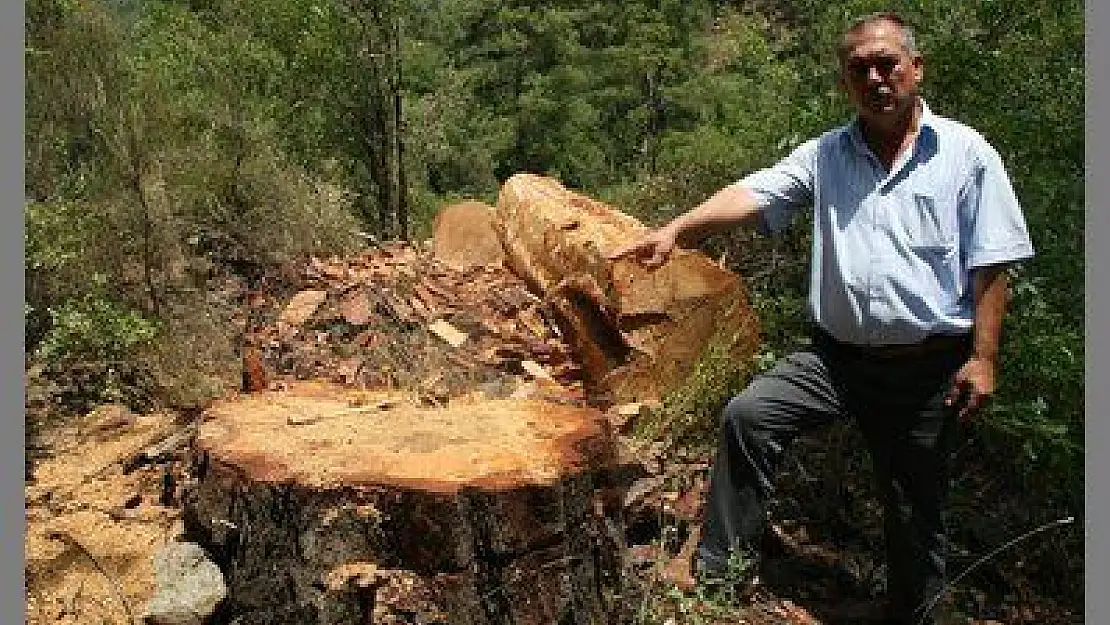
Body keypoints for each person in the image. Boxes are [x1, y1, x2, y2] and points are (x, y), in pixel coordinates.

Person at [609, 12, 1034, 625]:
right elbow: (757, 192)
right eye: (860, 68)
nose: (876, 78)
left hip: (927, 372)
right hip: (835, 360)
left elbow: (993, 263)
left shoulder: (967, 156)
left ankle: (912, 612)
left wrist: (984, 357)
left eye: (887, 63)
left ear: (915, 69)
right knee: (749, 416)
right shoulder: (828, 154)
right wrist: (681, 226)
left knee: (915, 508)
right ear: (846, 81)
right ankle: (718, 581)